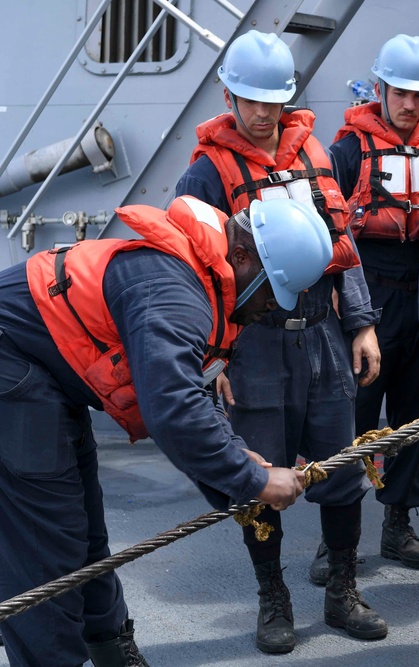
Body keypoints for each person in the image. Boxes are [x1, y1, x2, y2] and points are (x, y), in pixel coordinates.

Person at [0, 194, 331, 667]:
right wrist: (254, 480)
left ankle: (111, 648)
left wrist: (237, 464)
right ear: (241, 256)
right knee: (43, 544)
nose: (264, 312)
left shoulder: (200, 278)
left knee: (86, 531)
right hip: (13, 370)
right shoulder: (174, 291)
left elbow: (190, 393)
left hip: (46, 374)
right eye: (267, 295)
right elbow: (172, 409)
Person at [173, 31, 386, 652]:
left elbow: (342, 246)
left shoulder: (312, 153)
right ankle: (274, 597)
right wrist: (212, 358)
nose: (262, 113)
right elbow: (196, 275)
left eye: (273, 101)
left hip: (321, 336)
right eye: (249, 100)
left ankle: (342, 591)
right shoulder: (205, 173)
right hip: (254, 347)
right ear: (228, 95)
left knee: (342, 471)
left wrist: (362, 323)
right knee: (259, 478)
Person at [327, 34, 419, 573]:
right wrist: (348, 313)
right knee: (349, 422)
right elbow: (326, 231)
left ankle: (398, 526)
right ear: (379, 88)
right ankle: (335, 543)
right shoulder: (348, 150)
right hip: (366, 300)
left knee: (412, 419)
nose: (408, 104)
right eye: (399, 92)